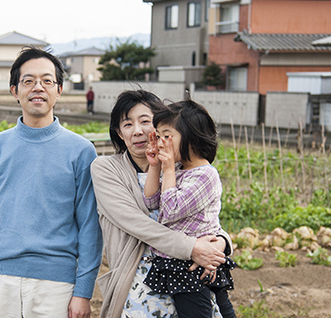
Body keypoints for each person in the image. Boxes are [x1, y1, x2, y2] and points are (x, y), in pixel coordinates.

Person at [0, 47, 103, 318]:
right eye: (28, 81)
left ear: (59, 90)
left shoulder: (81, 151)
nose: (38, 87)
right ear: (15, 90)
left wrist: (83, 292)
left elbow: (89, 228)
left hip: (57, 284)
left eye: (47, 81)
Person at [90, 90, 232, 318]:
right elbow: (137, 224)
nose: (137, 131)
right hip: (137, 287)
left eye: (145, 122)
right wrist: (192, 248)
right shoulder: (106, 168)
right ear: (119, 132)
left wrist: (222, 242)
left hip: (187, 274)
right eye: (127, 125)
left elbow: (203, 219)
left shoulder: (182, 168)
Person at [142, 98, 237, 318]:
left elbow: (172, 209)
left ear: (191, 138)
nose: (161, 142)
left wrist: (168, 171)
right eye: (158, 135)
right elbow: (151, 202)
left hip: (194, 266)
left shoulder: (205, 175)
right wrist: (156, 167)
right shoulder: (177, 169)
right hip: (183, 260)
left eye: (167, 135)